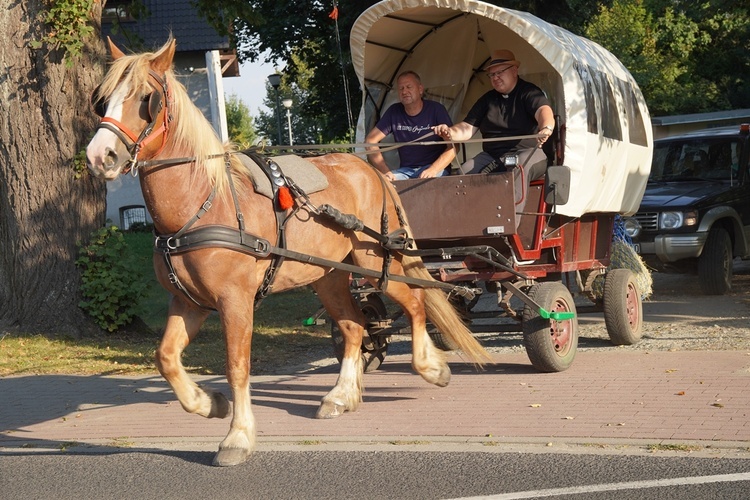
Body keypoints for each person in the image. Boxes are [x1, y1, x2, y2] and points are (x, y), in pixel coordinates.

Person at [432, 49, 555, 222]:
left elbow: (544, 111)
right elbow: (467, 128)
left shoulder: (529, 92)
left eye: (499, 72)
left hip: (529, 152)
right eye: (491, 75)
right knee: (462, 173)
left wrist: (546, 128)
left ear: (514, 70)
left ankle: (509, 224)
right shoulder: (487, 100)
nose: (495, 77)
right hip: (493, 156)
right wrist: (449, 132)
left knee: (518, 169)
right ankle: (461, 224)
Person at [366, 71, 456, 181]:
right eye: (401, 88)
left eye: (409, 87)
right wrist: (386, 173)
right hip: (405, 171)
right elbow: (370, 141)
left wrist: (433, 169)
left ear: (420, 89)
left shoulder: (436, 109)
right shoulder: (393, 111)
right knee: (383, 186)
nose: (404, 91)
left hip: (435, 169)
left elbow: (454, 146)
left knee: (426, 185)